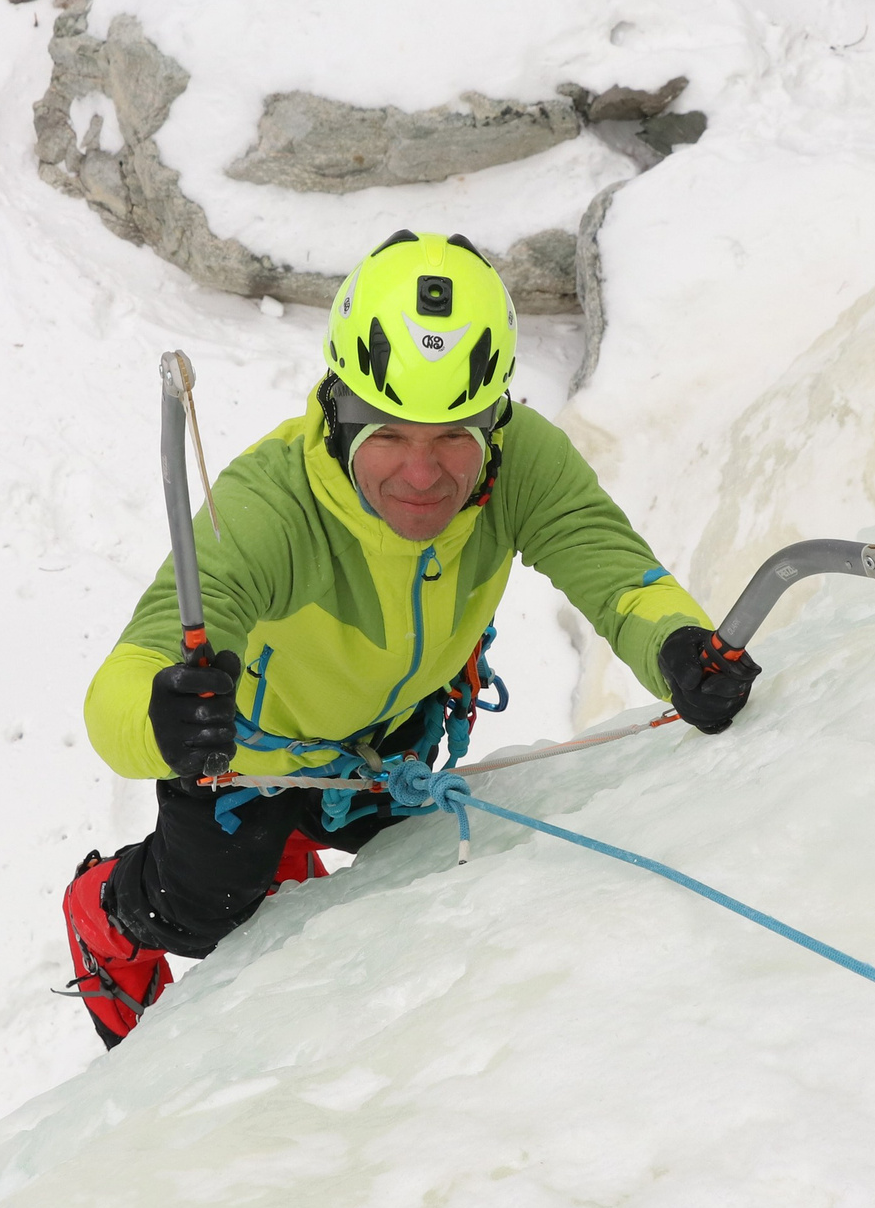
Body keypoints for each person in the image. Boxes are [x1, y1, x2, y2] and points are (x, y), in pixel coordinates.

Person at [62, 230, 761, 1047]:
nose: (423, 475)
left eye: (454, 434)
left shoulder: (520, 460)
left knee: (421, 879)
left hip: (394, 740)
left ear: (496, 418)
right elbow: (127, 676)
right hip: (244, 753)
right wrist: (162, 719)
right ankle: (102, 909)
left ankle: (285, 860)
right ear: (336, 411)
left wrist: (676, 645)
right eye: (388, 433)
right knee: (199, 915)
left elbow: (612, 572)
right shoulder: (268, 508)